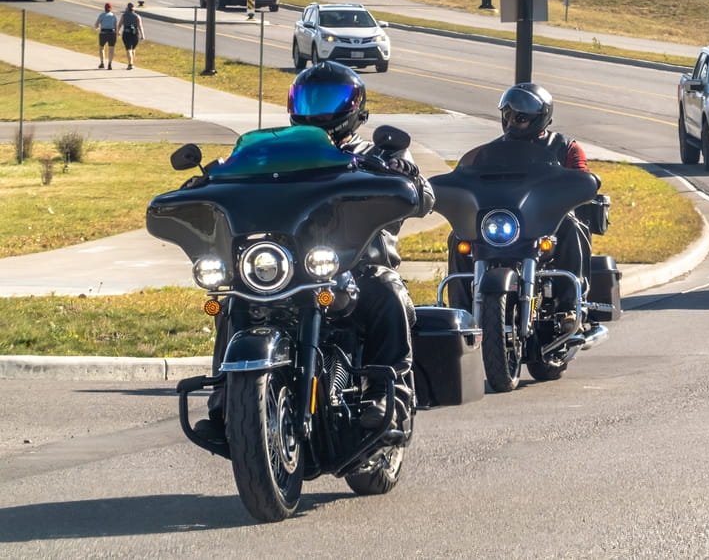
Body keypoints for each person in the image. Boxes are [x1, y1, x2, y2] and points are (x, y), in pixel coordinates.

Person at [194, 61, 434, 442]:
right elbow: (238, 174)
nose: (317, 110)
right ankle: (227, 395)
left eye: (330, 99)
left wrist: (406, 174)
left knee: (387, 292)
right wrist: (209, 177)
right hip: (291, 267)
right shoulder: (280, 156)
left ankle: (389, 398)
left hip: (357, 266)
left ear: (357, 108)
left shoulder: (374, 154)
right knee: (232, 300)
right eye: (308, 99)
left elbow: (425, 196)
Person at [446, 83, 592, 325]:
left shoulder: (566, 148)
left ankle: (570, 305)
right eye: (508, 115)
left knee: (572, 224)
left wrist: (580, 185)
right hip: (501, 223)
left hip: (546, 221)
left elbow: (582, 179)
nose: (512, 122)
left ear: (539, 118)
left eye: (520, 117)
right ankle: (460, 312)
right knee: (458, 237)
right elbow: (464, 178)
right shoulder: (489, 152)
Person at [115, 2, 145, 70]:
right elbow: (140, 26)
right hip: (135, 34)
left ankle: (130, 64)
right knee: (133, 49)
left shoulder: (124, 15)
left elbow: (119, 24)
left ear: (127, 8)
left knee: (128, 49)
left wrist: (118, 32)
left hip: (126, 33)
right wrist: (142, 35)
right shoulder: (137, 16)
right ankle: (132, 62)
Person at [94, 2, 117, 70]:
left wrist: (97, 28)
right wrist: (116, 33)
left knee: (101, 48)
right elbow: (115, 26)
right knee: (111, 49)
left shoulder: (102, 15)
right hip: (112, 33)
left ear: (105, 8)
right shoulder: (113, 16)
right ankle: (110, 63)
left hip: (103, 33)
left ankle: (102, 63)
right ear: (111, 8)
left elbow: (96, 24)